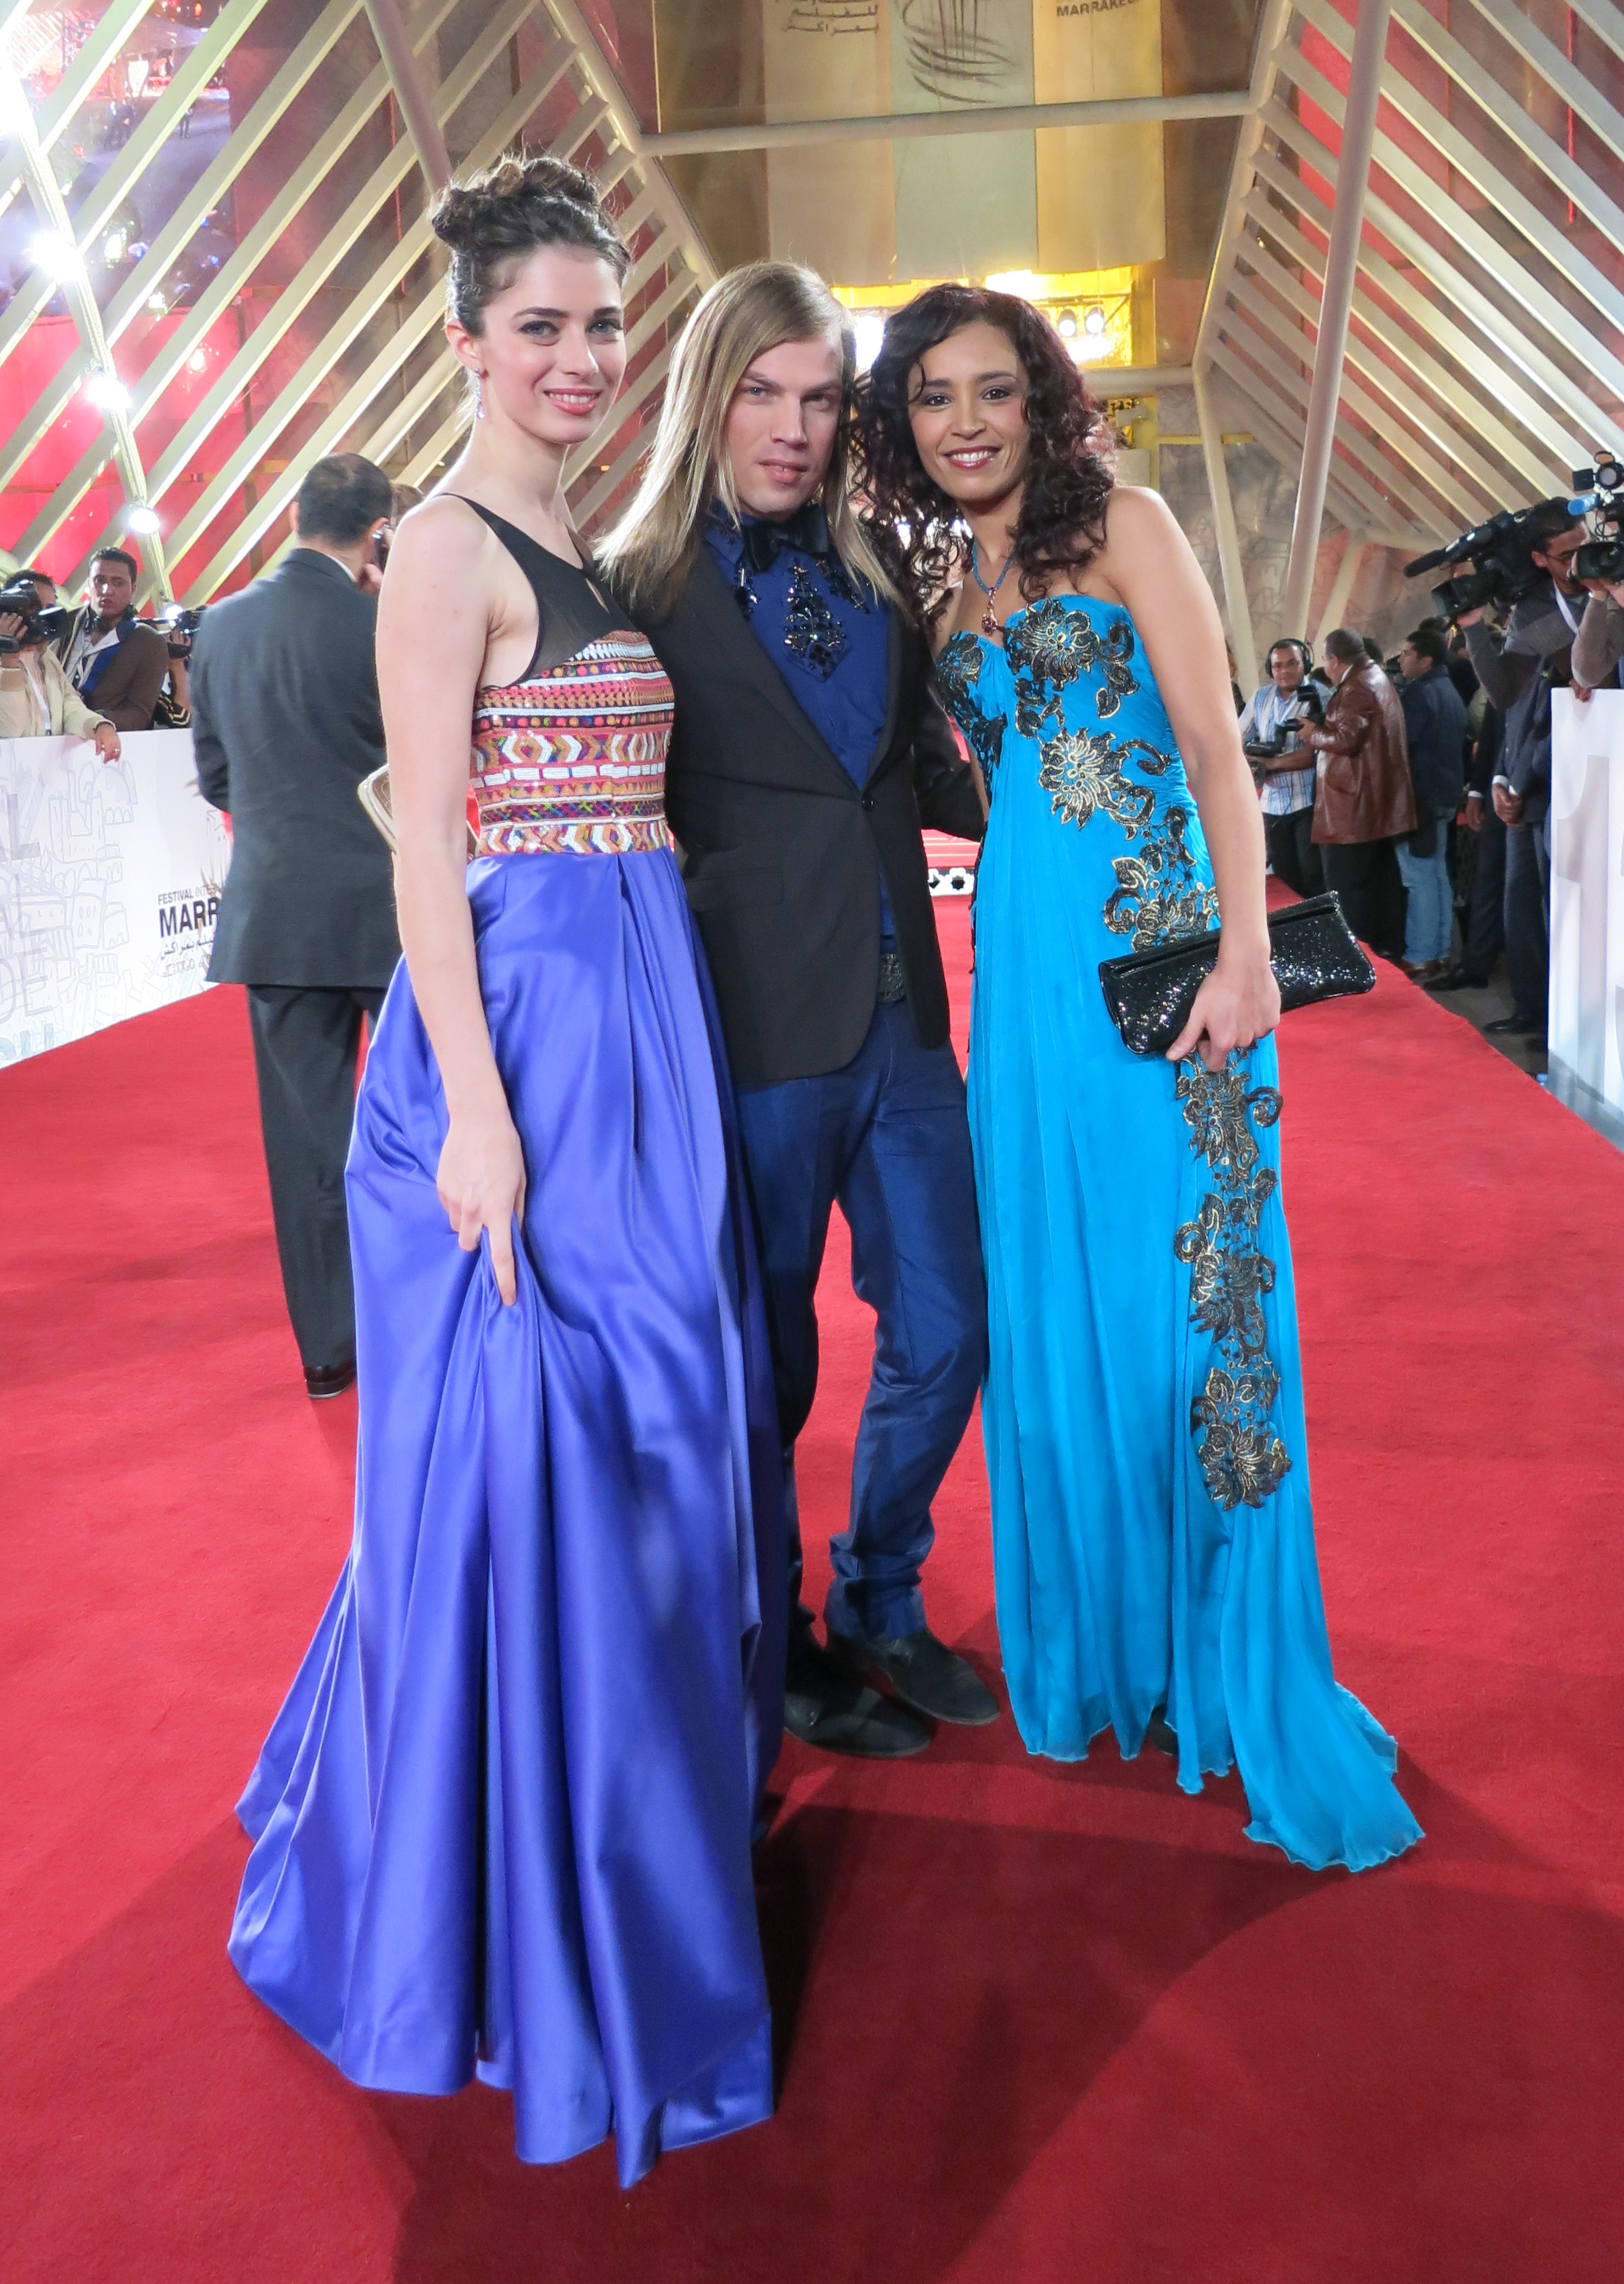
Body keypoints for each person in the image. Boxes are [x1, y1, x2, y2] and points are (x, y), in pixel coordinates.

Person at [228, 155, 783, 2189]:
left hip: (637, 1021)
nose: (577, 357)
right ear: (464, 342)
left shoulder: (580, 536)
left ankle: (642, 1841)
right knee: (553, 1467)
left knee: (663, 1429)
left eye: (602, 325)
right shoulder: (448, 549)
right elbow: (426, 862)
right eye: (538, 326)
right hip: (523, 1043)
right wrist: (474, 1111)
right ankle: (545, 1925)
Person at [855, 283, 1421, 1873]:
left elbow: (1214, 750)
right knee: (1064, 1307)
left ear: (1039, 398)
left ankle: (1229, 1663)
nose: (965, 422)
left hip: (1159, 962)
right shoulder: (942, 588)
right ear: (902, 424)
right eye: (932, 398)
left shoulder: (1129, 526)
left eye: (992, 389)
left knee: (1195, 1310)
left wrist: (1248, 955)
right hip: (1023, 986)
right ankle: (1116, 1649)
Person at [599, 260, 994, 1761]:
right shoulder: (630, 588)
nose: (791, 428)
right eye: (761, 393)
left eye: (820, 399)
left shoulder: (886, 576)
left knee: (950, 1326)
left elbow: (930, 774)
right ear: (708, 398)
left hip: (907, 1029)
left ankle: (878, 1592)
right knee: (763, 1363)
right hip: (748, 1029)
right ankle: (773, 1645)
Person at [191, 455, 401, 1399]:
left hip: (276, 914)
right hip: (391, 910)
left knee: (306, 1144)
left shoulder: (221, 625)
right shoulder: (386, 620)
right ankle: (432, 1317)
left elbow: (217, 778)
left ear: (292, 515)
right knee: (428, 1120)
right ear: (378, 529)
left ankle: (328, 1349)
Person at [1457, 502, 1586, 1043]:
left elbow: (1593, 687)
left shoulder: (1605, 599)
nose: (1581, 562)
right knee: (1525, 909)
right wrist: (1471, 627)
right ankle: (1538, 1012)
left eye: (1584, 546)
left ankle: (1571, 1025)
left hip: (1579, 780)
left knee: (1568, 910)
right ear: (1539, 559)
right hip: (1529, 783)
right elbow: (1507, 698)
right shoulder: (1535, 612)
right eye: (1567, 554)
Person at [1304, 626, 1415, 962]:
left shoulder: (1357, 687)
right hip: (1370, 804)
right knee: (1377, 884)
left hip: (1351, 808)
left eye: (1326, 661)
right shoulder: (1375, 677)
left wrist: (1313, 734)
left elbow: (1347, 740)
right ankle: (1382, 952)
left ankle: (1354, 958)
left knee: (1348, 889)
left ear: (1334, 660)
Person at [1394, 623, 1468, 981]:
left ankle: (1422, 954)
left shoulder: (1420, 693)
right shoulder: (1448, 689)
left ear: (1426, 660)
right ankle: (1439, 952)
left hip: (1421, 799)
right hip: (1444, 795)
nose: (1400, 659)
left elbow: (1400, 745)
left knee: (1419, 878)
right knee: (1436, 875)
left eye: (1407, 653)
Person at [1238, 637, 1325, 896]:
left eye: (1292, 663)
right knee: (1285, 881)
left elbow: (1311, 755)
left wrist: (1272, 764)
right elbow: (1238, 739)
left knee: (1314, 879)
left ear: (1305, 663)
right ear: (1270, 669)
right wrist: (1253, 758)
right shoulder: (1261, 697)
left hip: (1309, 803)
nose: (1284, 671)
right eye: (1278, 666)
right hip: (1272, 805)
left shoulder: (1320, 696)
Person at [0, 570, 120, 755]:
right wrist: (9, 661)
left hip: (47, 765)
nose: (45, 616)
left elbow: (68, 705)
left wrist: (98, 725)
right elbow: (9, 730)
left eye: (50, 607)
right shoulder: (6, 661)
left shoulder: (46, 657)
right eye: (35, 608)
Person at [55, 546, 170, 729]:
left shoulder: (148, 642)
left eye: (118, 583)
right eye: (99, 581)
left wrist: (92, 720)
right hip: (44, 735)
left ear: (133, 589)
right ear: (89, 584)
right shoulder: (65, 623)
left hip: (100, 740)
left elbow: (140, 714)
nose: (107, 590)